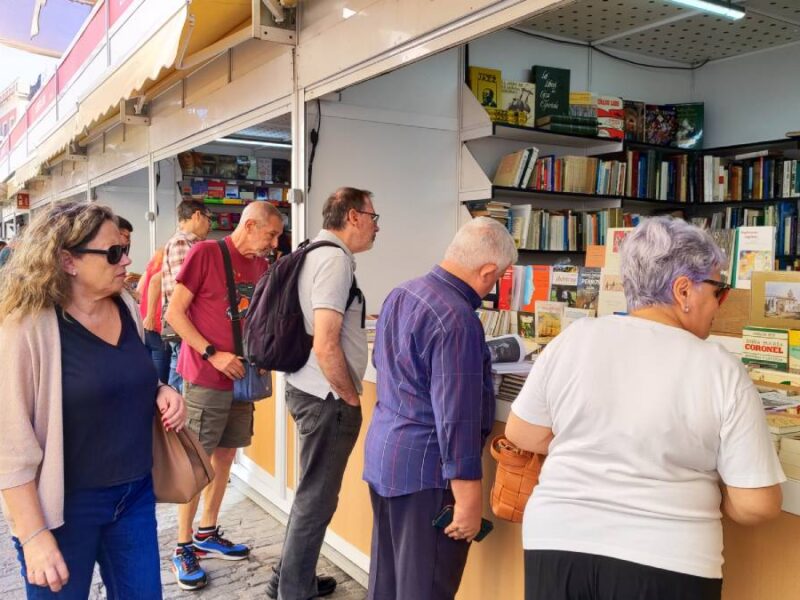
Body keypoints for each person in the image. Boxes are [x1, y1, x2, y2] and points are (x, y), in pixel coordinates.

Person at [506, 216, 785, 600]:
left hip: (557, 541)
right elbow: (758, 504)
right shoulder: (719, 367)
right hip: (669, 555)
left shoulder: (577, 338)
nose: (720, 304)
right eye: (718, 291)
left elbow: (522, 432)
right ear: (684, 291)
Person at [0, 202, 186, 599]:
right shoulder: (27, 327)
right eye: (114, 252)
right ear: (68, 261)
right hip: (64, 509)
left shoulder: (127, 306)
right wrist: (34, 535)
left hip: (134, 497)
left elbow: (124, 375)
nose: (127, 260)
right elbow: (9, 445)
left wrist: (160, 391)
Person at [362, 216, 516, 600]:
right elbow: (457, 419)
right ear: (486, 271)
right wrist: (467, 501)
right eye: (498, 277)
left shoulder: (403, 293)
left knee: (388, 581)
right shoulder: (458, 320)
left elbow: (385, 366)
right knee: (425, 588)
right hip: (429, 475)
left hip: (386, 457)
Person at [266, 187, 379, 600]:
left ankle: (290, 578)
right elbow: (326, 342)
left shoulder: (313, 250)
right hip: (326, 398)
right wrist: (350, 397)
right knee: (317, 501)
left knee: (311, 494)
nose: (376, 226)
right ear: (352, 216)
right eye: (373, 216)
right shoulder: (333, 261)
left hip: (306, 387)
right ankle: (294, 592)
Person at [165, 201, 283, 591]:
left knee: (226, 455)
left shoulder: (262, 265)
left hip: (242, 378)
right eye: (271, 234)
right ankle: (183, 546)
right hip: (204, 376)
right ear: (249, 225)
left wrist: (262, 355)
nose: (274, 242)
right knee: (196, 462)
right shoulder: (206, 253)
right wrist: (211, 353)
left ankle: (207, 531)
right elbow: (174, 314)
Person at [162, 199, 212, 391]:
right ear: (197, 215)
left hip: (185, 322)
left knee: (179, 369)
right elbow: (183, 287)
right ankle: (180, 415)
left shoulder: (187, 242)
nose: (210, 225)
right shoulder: (183, 242)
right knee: (183, 373)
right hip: (186, 322)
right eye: (209, 219)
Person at [138, 247, 170, 382]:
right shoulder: (168, 263)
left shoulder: (154, 262)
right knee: (160, 360)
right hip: (157, 320)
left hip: (143, 317)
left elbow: (139, 289)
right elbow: (155, 282)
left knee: (146, 359)